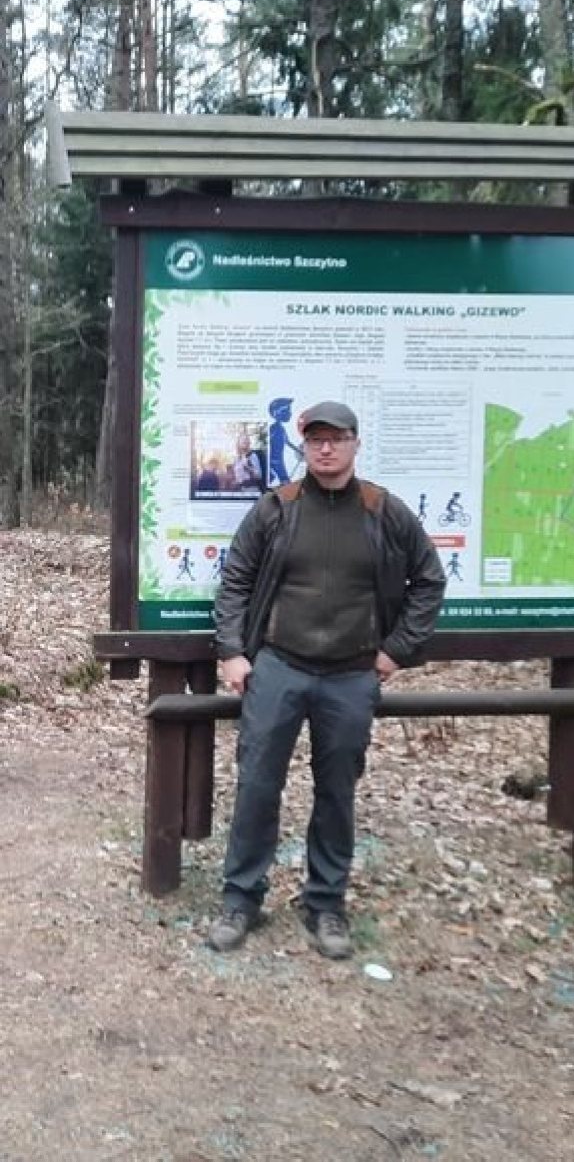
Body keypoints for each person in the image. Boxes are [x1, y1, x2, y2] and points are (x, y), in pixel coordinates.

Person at [208, 401, 446, 959]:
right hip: (280, 667)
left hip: (350, 676)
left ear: (355, 443)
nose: (326, 448)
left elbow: (428, 582)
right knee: (257, 786)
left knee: (337, 793)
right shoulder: (278, 508)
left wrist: (396, 651)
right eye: (316, 439)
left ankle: (326, 905)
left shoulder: (383, 511)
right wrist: (233, 652)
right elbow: (235, 580)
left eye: (336, 438)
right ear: (306, 446)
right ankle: (241, 899)